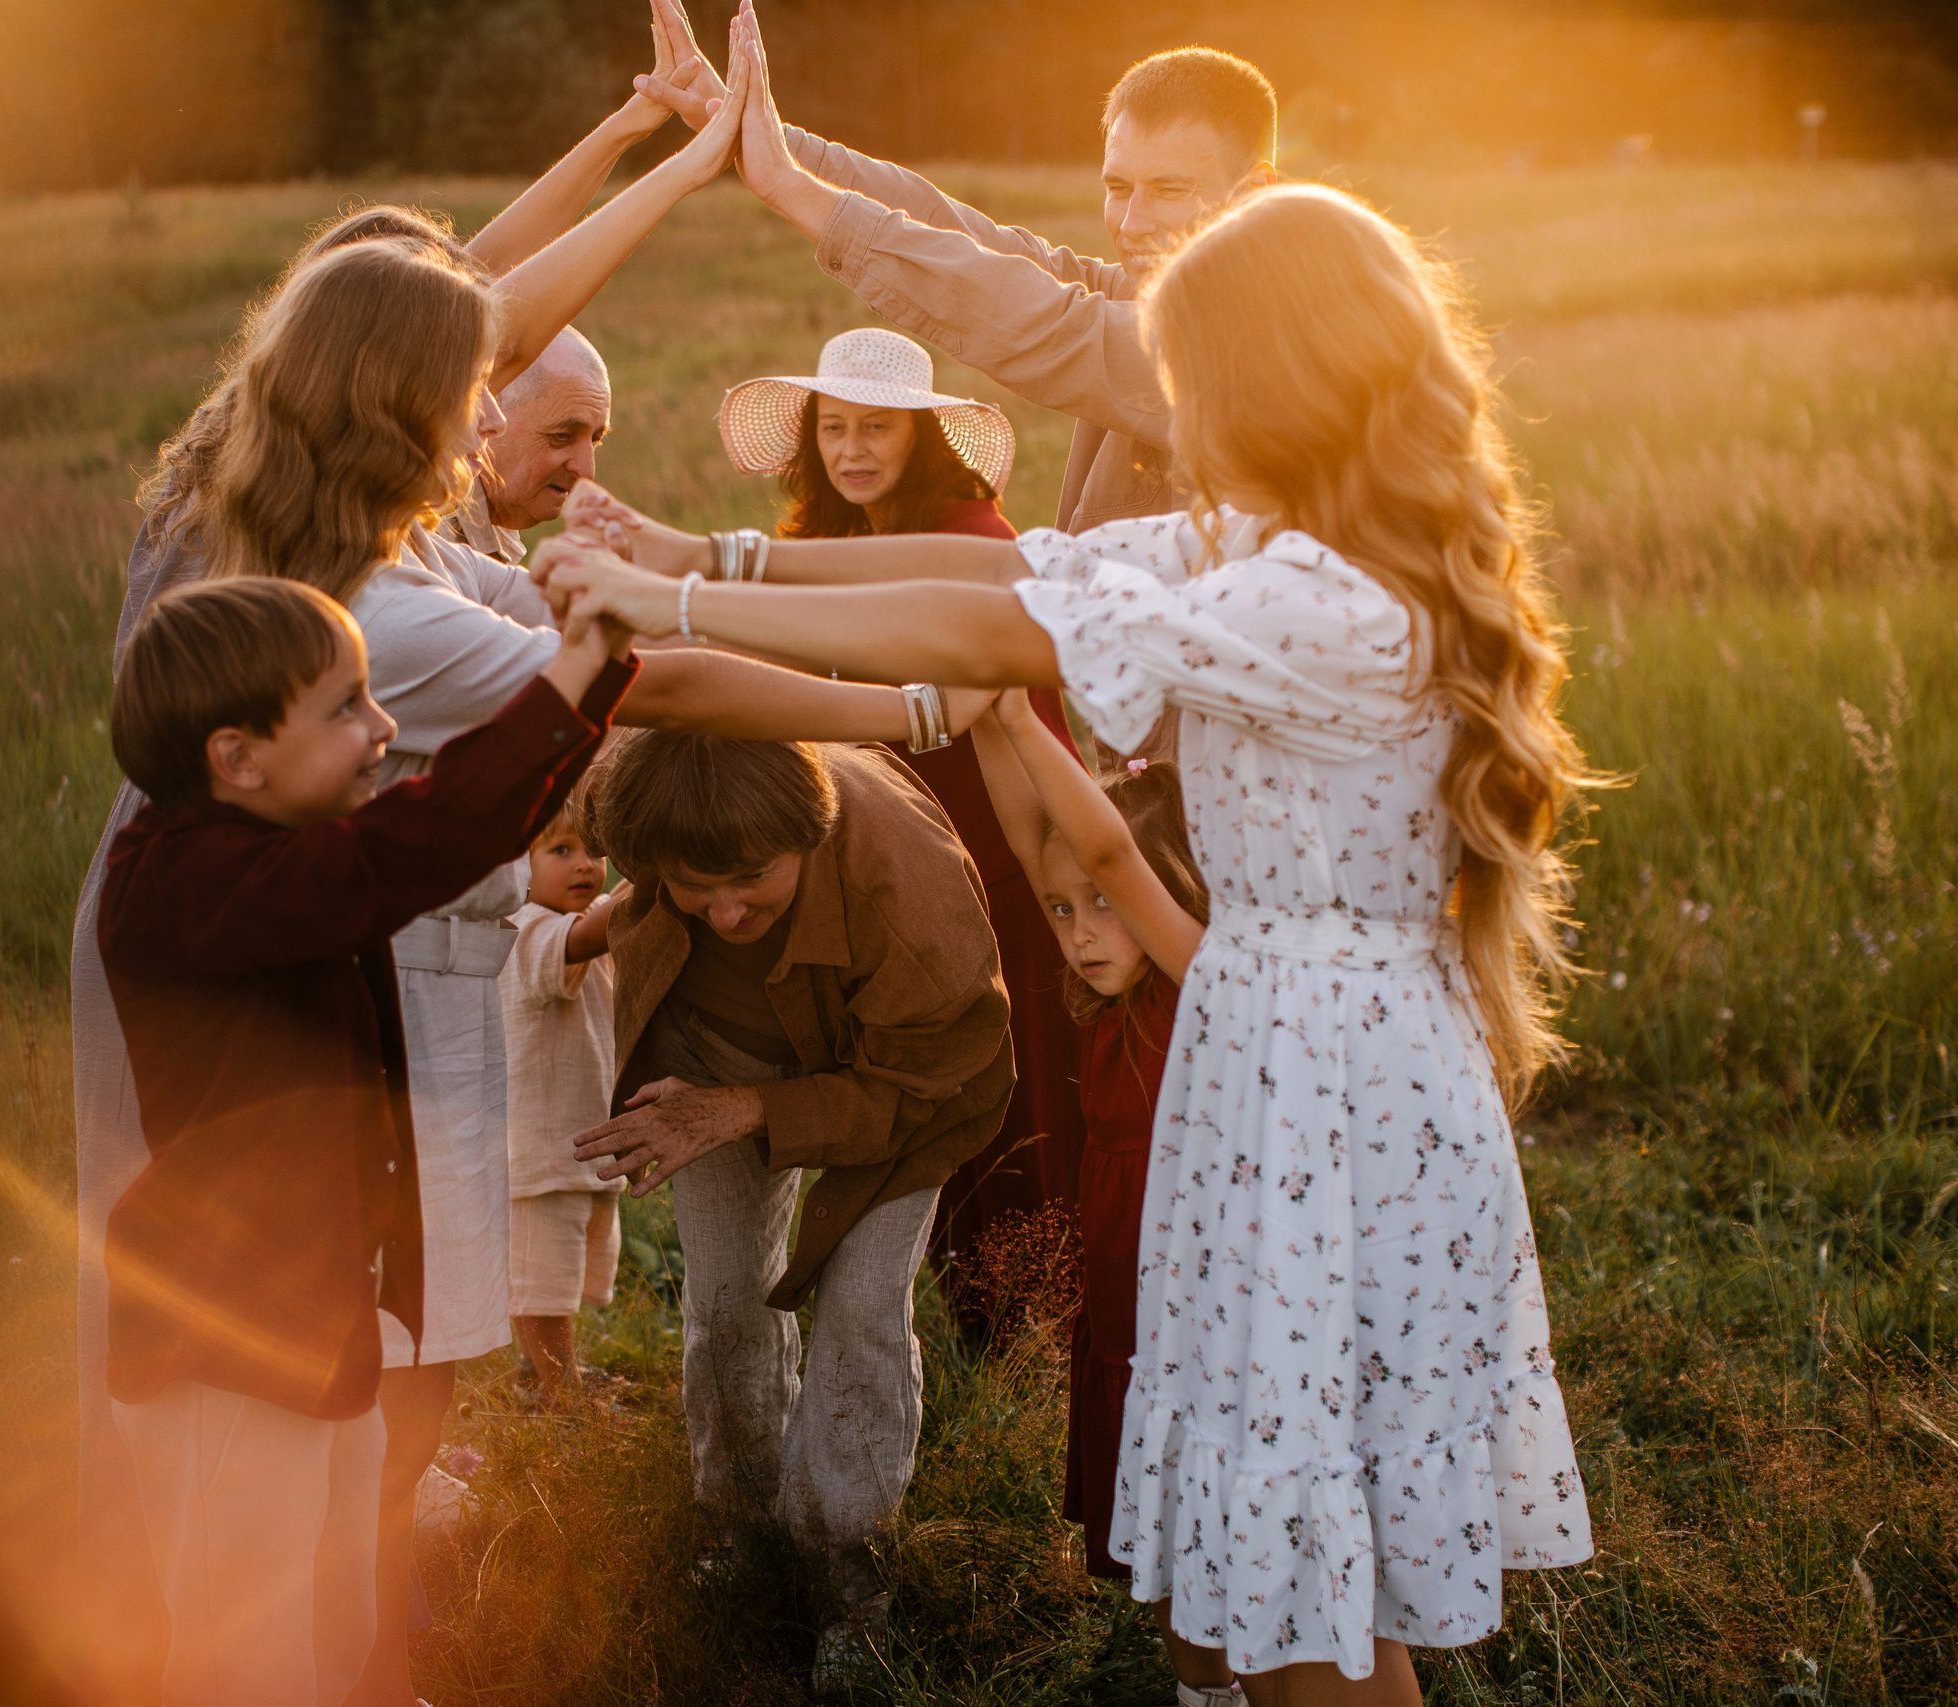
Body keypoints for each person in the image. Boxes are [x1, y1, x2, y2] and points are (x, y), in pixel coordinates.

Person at [537, 181, 1598, 1700]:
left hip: (1326, 1088)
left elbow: (993, 634)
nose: (1172, 409)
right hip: (1271, 1049)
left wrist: (671, 597)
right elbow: (1005, 567)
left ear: (1269, 382)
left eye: (1190, 374)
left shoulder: (1326, 596)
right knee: (1249, 1552)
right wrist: (709, 553)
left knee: (1310, 1581)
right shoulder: (1277, 540)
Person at [71, 49, 992, 1701]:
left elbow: (451, 301)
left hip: (265, 925)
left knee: (316, 1327)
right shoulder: (371, 609)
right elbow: (611, 706)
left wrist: (655, 143)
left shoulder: (252, 462)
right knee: (272, 1353)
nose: (488, 412)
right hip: (263, 948)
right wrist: (911, 706)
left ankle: (340, 1634)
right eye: (472, 397)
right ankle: (279, 1639)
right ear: (409, 412)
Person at [93, 574, 633, 1707]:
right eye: (347, 707)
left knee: (331, 1636)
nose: (384, 727)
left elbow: (442, 835)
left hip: (312, 1323)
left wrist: (595, 674)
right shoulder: (189, 879)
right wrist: (574, 669)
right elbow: (415, 845)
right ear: (236, 756)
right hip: (229, 1346)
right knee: (245, 1665)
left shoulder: (270, 853)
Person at [571, 729, 1013, 1693]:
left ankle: (849, 1567)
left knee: (860, 1307)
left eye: (753, 879)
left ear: (808, 834)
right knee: (725, 1299)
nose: (728, 912)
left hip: (899, 1088)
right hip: (710, 1055)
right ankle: (742, 1524)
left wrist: (752, 1109)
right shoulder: (653, 812)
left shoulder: (908, 882)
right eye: (695, 887)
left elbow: (928, 1073)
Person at [719, 324, 1091, 1307]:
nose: (851, 450)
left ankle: (1034, 1321)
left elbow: (1019, 723)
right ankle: (961, 1305)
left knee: (1008, 1096)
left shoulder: (976, 543)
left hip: (993, 856)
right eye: (832, 427)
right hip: (886, 860)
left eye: (876, 428)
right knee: (914, 1082)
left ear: (921, 435)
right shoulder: (833, 540)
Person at [641, 0, 1277, 531]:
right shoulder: (1147, 293)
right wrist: (761, 136)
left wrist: (789, 188)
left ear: (1252, 193)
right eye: (1118, 187)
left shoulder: (1258, 341)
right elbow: (974, 239)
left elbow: (1042, 320)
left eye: (1170, 191)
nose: (1132, 223)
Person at [971, 692, 1238, 1706]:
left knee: (1222, 1504)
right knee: (1162, 1520)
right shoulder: (1104, 994)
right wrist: (985, 710)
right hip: (1130, 1310)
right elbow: (1029, 836)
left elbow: (1103, 849)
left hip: (1211, 1314)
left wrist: (1020, 719)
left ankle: (1258, 1666)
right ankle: (1202, 1690)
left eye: (1104, 904)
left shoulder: (1198, 986)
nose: (1079, 934)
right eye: (1060, 912)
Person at [498, 800, 625, 1400]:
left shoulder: (579, 922)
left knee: (562, 1273)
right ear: (517, 867)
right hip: (543, 1153)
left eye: (595, 852)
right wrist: (656, 871)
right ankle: (562, 1391)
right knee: (542, 1285)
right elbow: (596, 929)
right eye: (561, 850)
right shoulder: (525, 928)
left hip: (581, 1146)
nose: (584, 865)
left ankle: (541, 1372)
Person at [440, 327, 614, 566]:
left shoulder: (490, 533)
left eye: (595, 440)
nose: (586, 471)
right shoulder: (426, 531)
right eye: (561, 437)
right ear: (488, 413)